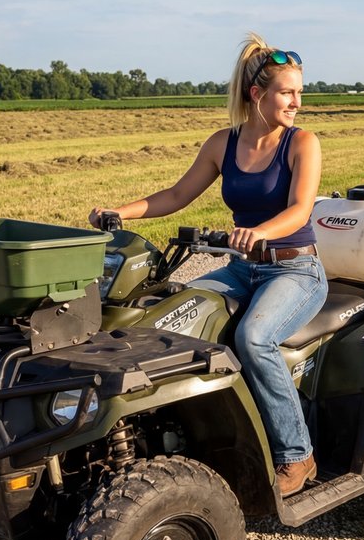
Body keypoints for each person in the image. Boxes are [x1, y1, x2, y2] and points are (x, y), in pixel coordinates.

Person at [88, 34, 328, 495]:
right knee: (175, 314)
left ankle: (298, 456)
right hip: (243, 268)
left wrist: (260, 231)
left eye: (299, 92)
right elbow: (177, 195)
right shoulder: (224, 143)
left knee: (254, 337)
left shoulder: (301, 143)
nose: (297, 102)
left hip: (295, 269)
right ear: (257, 94)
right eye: (288, 92)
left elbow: (300, 210)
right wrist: (120, 211)